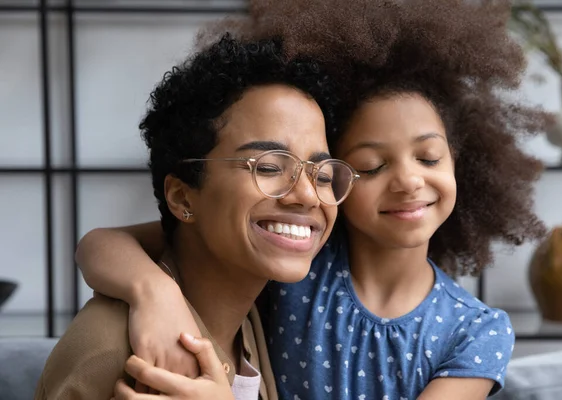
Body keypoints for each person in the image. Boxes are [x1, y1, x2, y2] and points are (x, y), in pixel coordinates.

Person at [76, 0, 549, 399]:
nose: (408, 181)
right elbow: (105, 244)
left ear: (463, 165)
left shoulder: (478, 332)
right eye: (369, 166)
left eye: (429, 157)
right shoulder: (292, 262)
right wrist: (152, 291)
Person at [34, 33, 360, 400]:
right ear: (182, 195)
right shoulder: (112, 351)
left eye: (325, 175)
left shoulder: (254, 318)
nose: (306, 195)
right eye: (268, 167)